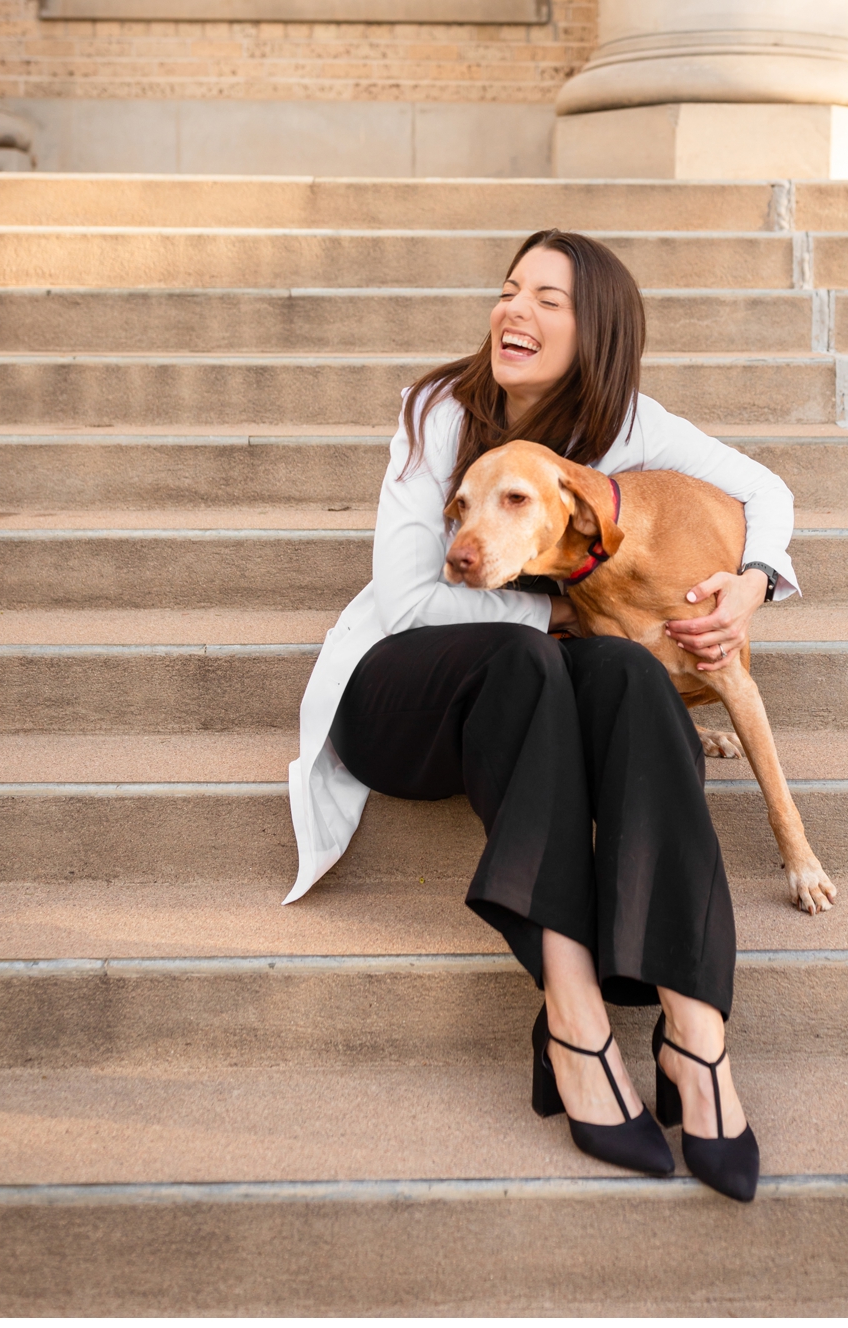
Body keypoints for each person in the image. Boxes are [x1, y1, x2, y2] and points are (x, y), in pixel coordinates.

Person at [285, 229, 799, 1203]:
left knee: (637, 678)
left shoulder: (625, 428)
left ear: (595, 328)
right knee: (545, 650)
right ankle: (572, 1013)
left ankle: (695, 1033)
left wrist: (751, 584)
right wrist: (569, 604)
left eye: (547, 298)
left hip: (540, 693)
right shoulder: (443, 411)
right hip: (407, 692)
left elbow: (764, 489)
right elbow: (407, 597)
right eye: (509, 288)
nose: (514, 309)